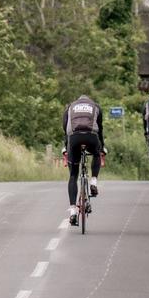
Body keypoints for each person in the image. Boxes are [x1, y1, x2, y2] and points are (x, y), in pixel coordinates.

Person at [63, 94, 106, 226]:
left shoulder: (69, 107)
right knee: (97, 154)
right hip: (91, 137)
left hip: (74, 139)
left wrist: (66, 147)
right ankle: (93, 181)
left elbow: (66, 129)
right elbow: (100, 130)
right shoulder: (96, 107)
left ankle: (72, 212)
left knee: (73, 175)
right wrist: (102, 147)